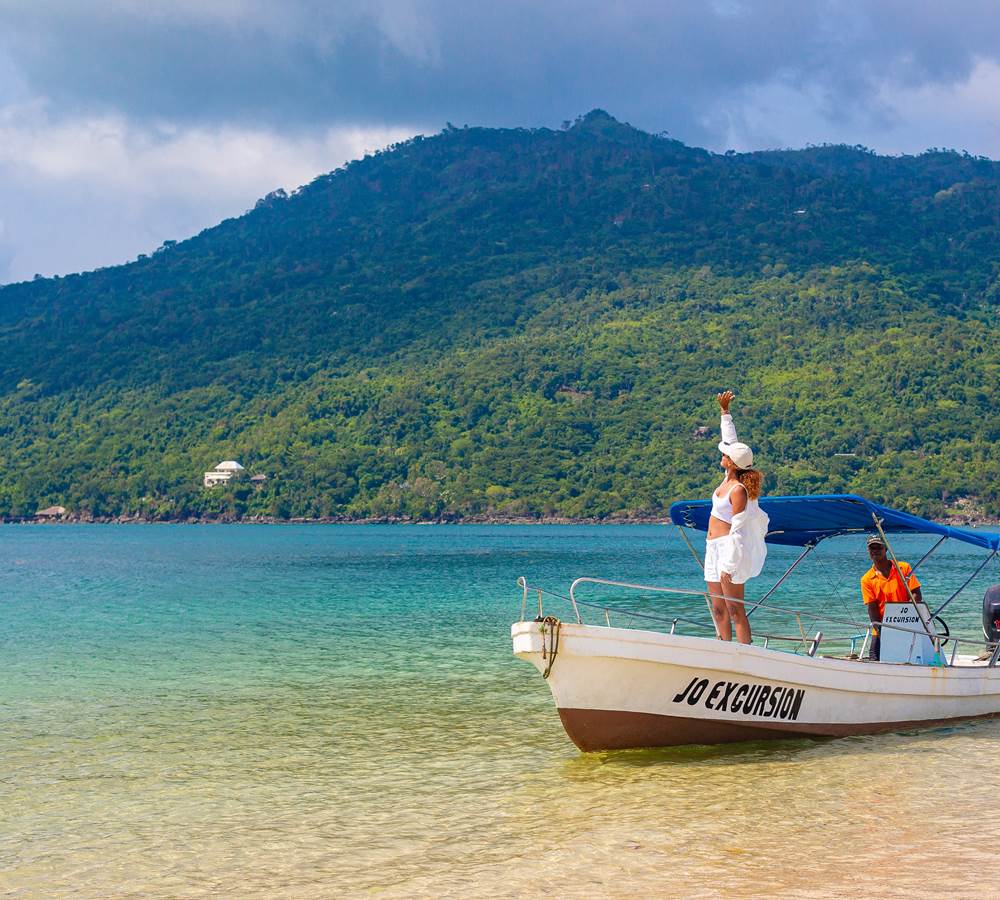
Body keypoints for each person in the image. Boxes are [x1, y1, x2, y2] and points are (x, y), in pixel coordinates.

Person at [704, 390, 769, 644]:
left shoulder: (739, 490)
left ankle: (746, 654)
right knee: (718, 609)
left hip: (729, 550)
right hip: (712, 548)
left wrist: (730, 565)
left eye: (726, 455)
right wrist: (725, 413)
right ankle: (724, 652)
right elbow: (730, 441)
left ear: (732, 463)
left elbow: (738, 531)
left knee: (735, 609)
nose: (722, 455)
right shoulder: (728, 479)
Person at [861, 535, 922, 661]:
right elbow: (872, 608)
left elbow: (916, 594)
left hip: (907, 624)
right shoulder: (866, 579)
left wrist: (904, 617)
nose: (875, 550)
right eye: (872, 548)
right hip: (881, 628)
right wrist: (880, 630)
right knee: (874, 661)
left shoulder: (904, 568)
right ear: (868, 551)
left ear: (886, 549)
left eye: (879, 547)